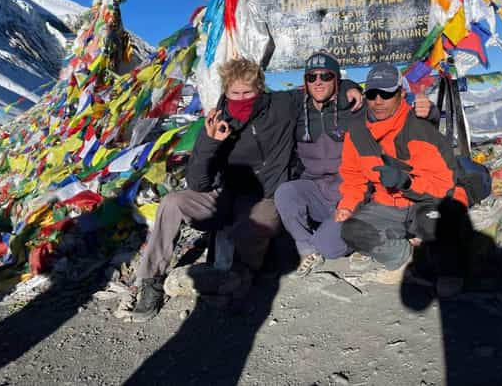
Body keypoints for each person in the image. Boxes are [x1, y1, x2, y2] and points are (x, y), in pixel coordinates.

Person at [129, 57, 362, 322]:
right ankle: (151, 279)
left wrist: (349, 87)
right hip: (225, 194)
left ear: (260, 89)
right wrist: (209, 142)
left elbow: (319, 87)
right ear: (225, 91)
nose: (241, 99)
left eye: (248, 93)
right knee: (171, 203)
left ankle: (240, 275)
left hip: (265, 197)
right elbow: (198, 183)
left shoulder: (282, 105)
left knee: (255, 226)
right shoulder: (218, 120)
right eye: (234, 93)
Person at [275, 52, 440, 277]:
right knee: (286, 193)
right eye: (312, 77)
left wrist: (429, 114)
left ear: (336, 79)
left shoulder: (357, 107)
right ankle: (308, 250)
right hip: (317, 191)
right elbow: (262, 103)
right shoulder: (297, 109)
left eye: (325, 76)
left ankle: (367, 239)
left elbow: (399, 119)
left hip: (353, 194)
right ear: (305, 82)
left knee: (330, 247)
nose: (318, 81)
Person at [336, 62, 469, 291]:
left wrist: (405, 182)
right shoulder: (356, 133)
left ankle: (449, 269)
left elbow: (444, 185)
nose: (378, 100)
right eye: (372, 93)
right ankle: (405, 257)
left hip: (425, 200)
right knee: (351, 230)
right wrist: (347, 206)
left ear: (401, 93)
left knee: (434, 222)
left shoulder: (419, 128)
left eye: (386, 93)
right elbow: (353, 177)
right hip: (386, 204)